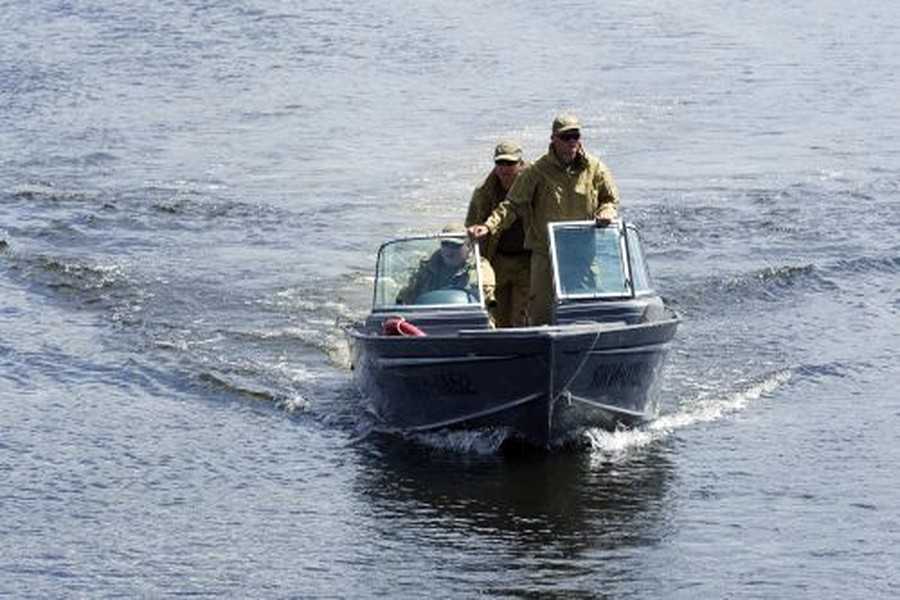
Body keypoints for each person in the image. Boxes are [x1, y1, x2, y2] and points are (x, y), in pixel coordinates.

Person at [468, 114, 620, 325]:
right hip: (545, 255)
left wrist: (607, 211)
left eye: (575, 136)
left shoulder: (595, 168)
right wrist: (488, 226)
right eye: (566, 137)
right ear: (553, 139)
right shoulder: (537, 171)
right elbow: (512, 204)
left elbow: (610, 199)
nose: (571, 142)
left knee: (588, 310)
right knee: (540, 314)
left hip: (582, 253)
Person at [464, 140, 530, 327]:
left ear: (520, 164)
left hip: (528, 259)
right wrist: (473, 230)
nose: (504, 169)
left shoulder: (534, 185)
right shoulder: (484, 191)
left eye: (510, 163)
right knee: (495, 314)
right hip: (497, 259)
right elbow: (471, 223)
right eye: (500, 163)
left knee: (522, 316)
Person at [396, 223, 496, 308]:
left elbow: (484, 291)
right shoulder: (427, 267)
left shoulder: (479, 267)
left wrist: (480, 293)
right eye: (445, 244)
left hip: (469, 317)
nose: (449, 250)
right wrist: (400, 303)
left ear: (469, 246)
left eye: (456, 245)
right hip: (428, 318)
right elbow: (406, 295)